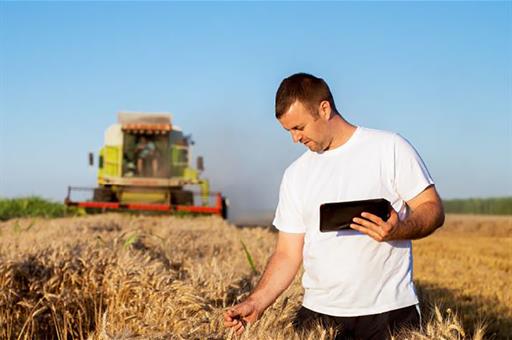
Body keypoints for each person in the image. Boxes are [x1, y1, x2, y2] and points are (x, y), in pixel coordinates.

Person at [223, 73, 445, 339]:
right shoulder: (296, 174)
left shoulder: (390, 148)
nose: (295, 139)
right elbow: (287, 254)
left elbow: (432, 208)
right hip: (318, 317)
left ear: (324, 109)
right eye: (289, 131)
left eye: (299, 127)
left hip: (389, 314)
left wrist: (398, 230)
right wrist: (255, 302)